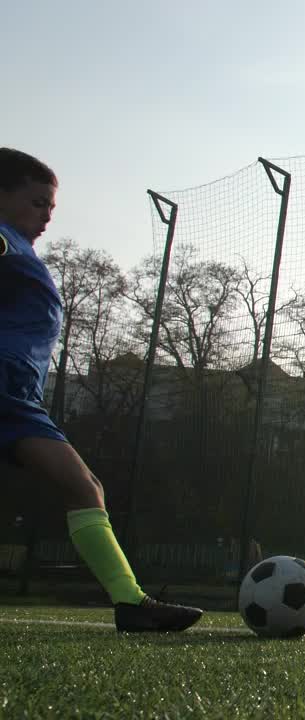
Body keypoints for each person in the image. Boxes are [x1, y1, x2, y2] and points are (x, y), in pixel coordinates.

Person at [0, 148, 202, 632]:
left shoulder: (20, 249)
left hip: (19, 400)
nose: (48, 214)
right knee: (85, 487)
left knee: (85, 487)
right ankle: (130, 602)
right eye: (37, 202)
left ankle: (131, 606)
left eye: (52, 206)